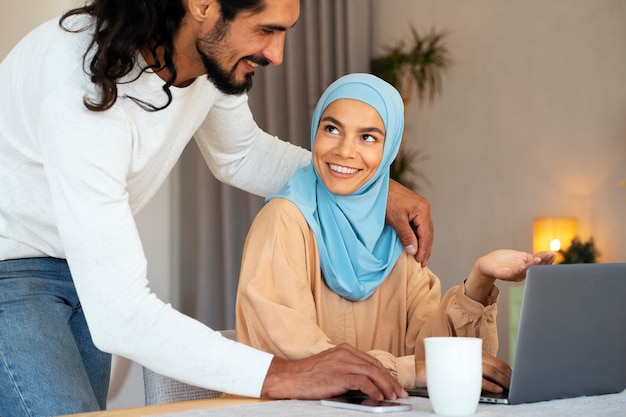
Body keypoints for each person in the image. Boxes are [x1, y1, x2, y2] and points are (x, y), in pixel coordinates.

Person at [0, 1, 437, 416]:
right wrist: (281, 375)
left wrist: (376, 188)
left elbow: (241, 155)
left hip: (78, 265)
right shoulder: (81, 91)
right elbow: (122, 312)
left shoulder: (205, 63)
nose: (277, 54)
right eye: (266, 29)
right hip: (11, 267)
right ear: (204, 6)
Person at [235, 73, 556, 393]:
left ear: (390, 150)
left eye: (368, 137)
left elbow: (431, 353)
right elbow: (302, 365)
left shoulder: (395, 237)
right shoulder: (284, 221)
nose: (345, 151)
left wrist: (480, 280)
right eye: (331, 129)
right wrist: (411, 373)